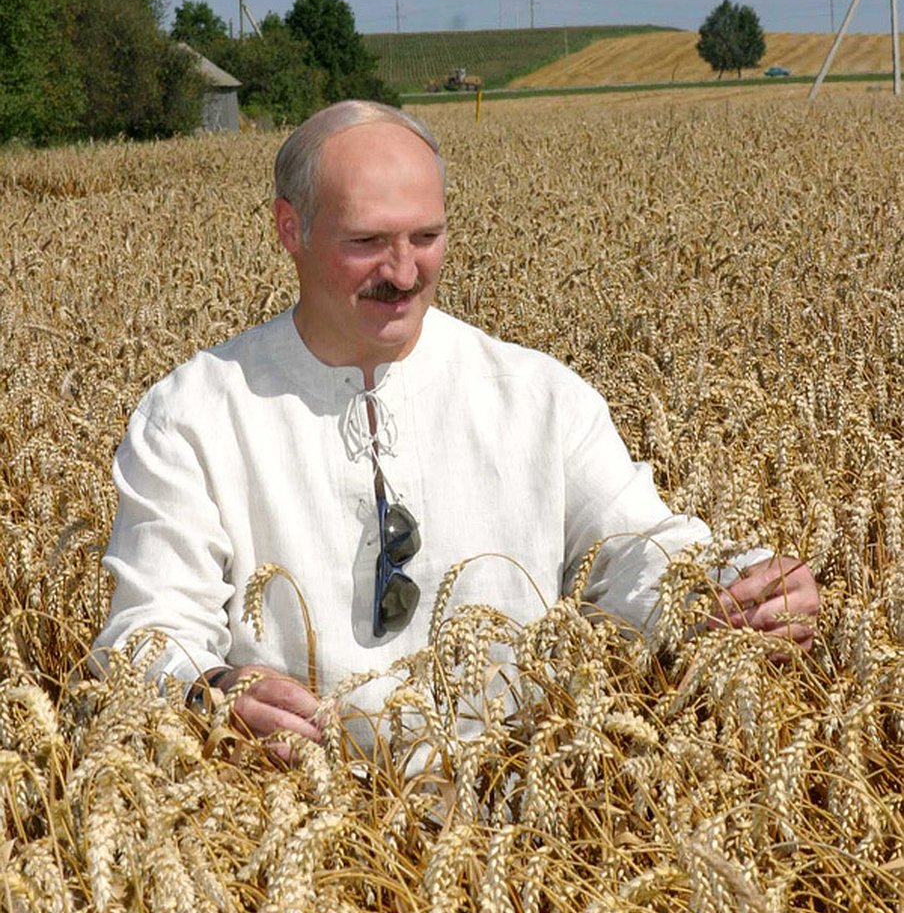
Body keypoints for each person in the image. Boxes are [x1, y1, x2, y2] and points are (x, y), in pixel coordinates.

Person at [94, 100, 819, 752]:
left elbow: (635, 550)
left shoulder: (537, 397)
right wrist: (209, 689)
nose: (405, 272)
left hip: (526, 823)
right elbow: (148, 630)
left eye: (427, 236)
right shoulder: (192, 416)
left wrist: (736, 586)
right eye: (367, 241)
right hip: (285, 828)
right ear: (291, 228)